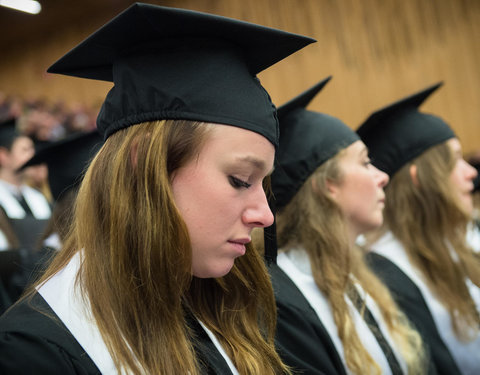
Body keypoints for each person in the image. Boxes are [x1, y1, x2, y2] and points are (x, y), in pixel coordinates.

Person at [0, 3, 315, 374]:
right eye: (240, 180)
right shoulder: (34, 355)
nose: (264, 214)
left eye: (263, 185)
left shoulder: (226, 306)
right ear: (142, 165)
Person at [268, 78, 428, 375]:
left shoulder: (362, 275)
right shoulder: (285, 300)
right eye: (366, 163)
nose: (383, 177)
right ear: (328, 185)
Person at [359, 83, 480, 375]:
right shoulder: (384, 274)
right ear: (420, 180)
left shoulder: (460, 242)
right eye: (453, 160)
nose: (471, 172)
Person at [0, 117, 52, 251]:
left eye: (32, 150)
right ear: (4, 156)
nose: (33, 156)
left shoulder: (38, 197)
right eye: (25, 150)